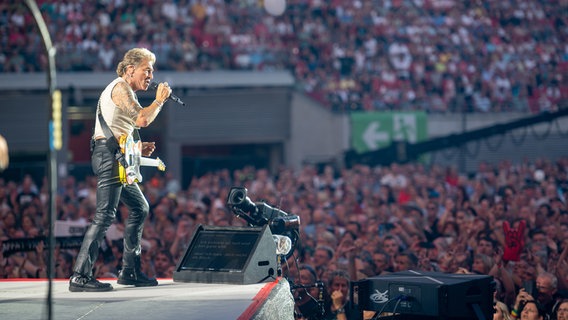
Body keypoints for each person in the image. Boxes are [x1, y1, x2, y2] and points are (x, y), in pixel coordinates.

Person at [69, 47, 172, 292]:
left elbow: (120, 131)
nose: (151, 75)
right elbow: (142, 120)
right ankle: (80, 276)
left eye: (152, 71)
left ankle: (130, 271)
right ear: (129, 70)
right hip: (109, 157)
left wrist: (138, 146)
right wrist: (159, 100)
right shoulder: (120, 88)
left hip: (116, 155)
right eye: (147, 70)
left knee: (140, 207)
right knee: (105, 215)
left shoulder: (126, 92)